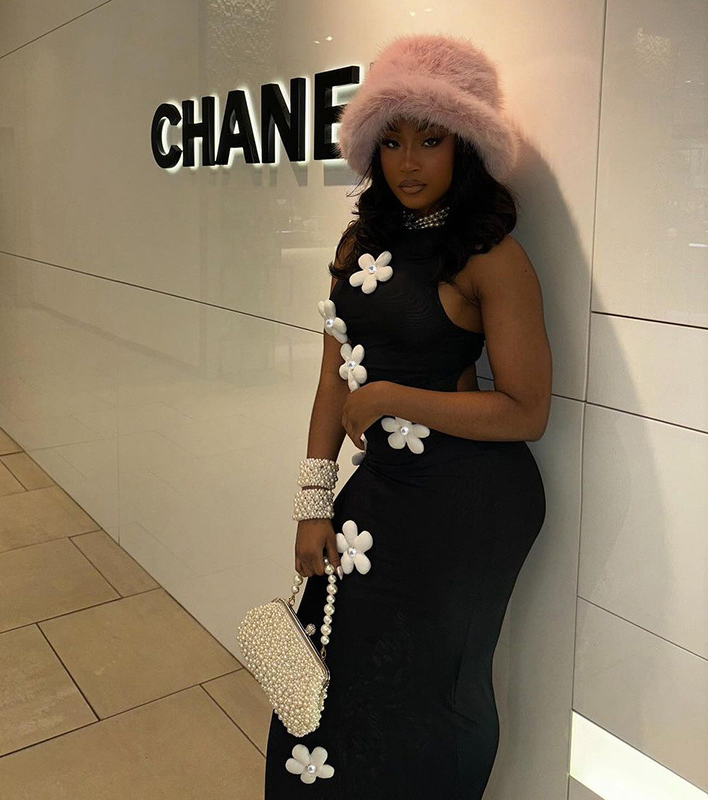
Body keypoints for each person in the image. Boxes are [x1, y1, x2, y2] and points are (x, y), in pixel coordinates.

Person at [264, 32, 551, 798]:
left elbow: (527, 411)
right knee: (331, 663)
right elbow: (333, 380)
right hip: (383, 488)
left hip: (471, 502)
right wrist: (313, 500)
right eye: (391, 141)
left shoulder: (491, 256)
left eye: (431, 139)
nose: (409, 162)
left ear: (465, 145)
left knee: (436, 686)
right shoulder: (358, 242)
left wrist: (392, 397)